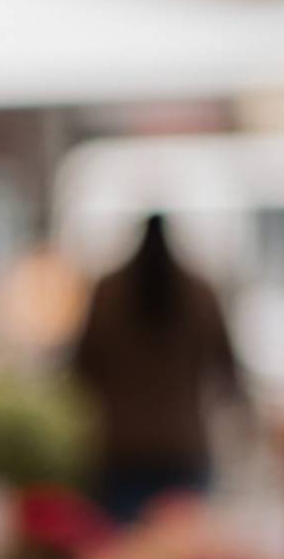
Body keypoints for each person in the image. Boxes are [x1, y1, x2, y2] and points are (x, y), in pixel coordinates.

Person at [68, 212, 247, 521]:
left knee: (123, 555)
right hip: (182, 446)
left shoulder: (109, 292)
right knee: (181, 555)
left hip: (122, 447)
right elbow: (227, 370)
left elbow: (82, 369)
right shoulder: (199, 293)